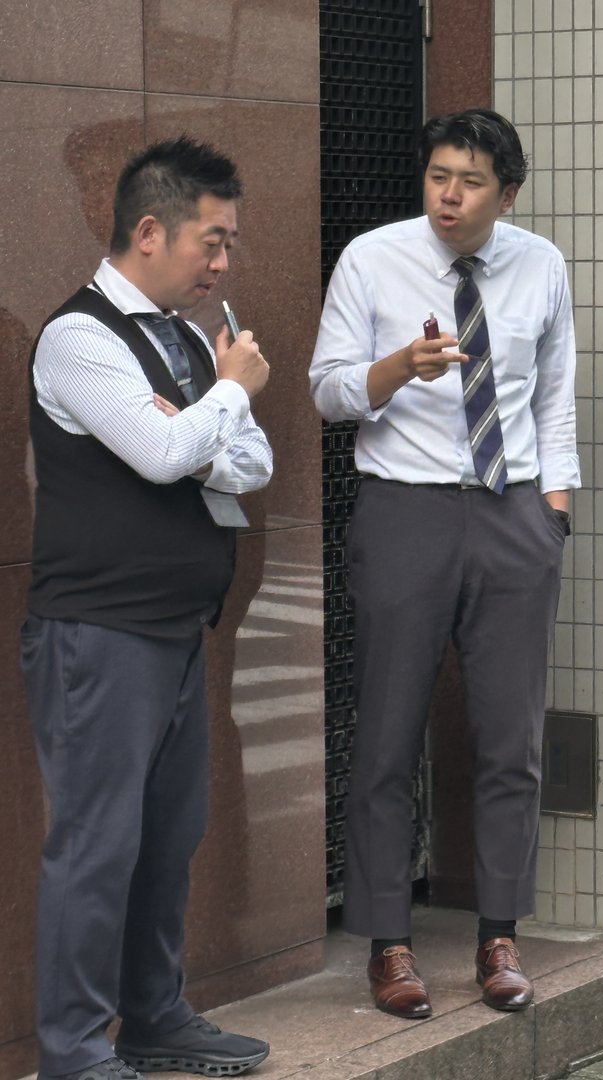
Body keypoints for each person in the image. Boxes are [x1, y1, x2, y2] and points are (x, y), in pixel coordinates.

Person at [309, 108, 580, 1019]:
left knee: (512, 739)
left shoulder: (540, 264)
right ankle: (389, 945)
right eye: (437, 176)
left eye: (469, 181)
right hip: (405, 511)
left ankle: (497, 937)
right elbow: (327, 389)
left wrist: (554, 506)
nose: (449, 196)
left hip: (513, 512)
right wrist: (398, 369)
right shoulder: (372, 258)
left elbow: (554, 391)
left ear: (507, 193)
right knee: (387, 733)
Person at [21, 136, 273, 1080]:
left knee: (169, 839)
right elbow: (167, 457)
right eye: (212, 242)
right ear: (150, 230)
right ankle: (75, 1056)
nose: (223, 263)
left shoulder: (179, 337)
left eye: (233, 244)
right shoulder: (79, 337)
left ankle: (156, 1016)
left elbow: (248, 467)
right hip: (98, 634)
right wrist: (229, 396)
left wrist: (206, 419)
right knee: (95, 851)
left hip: (174, 632)